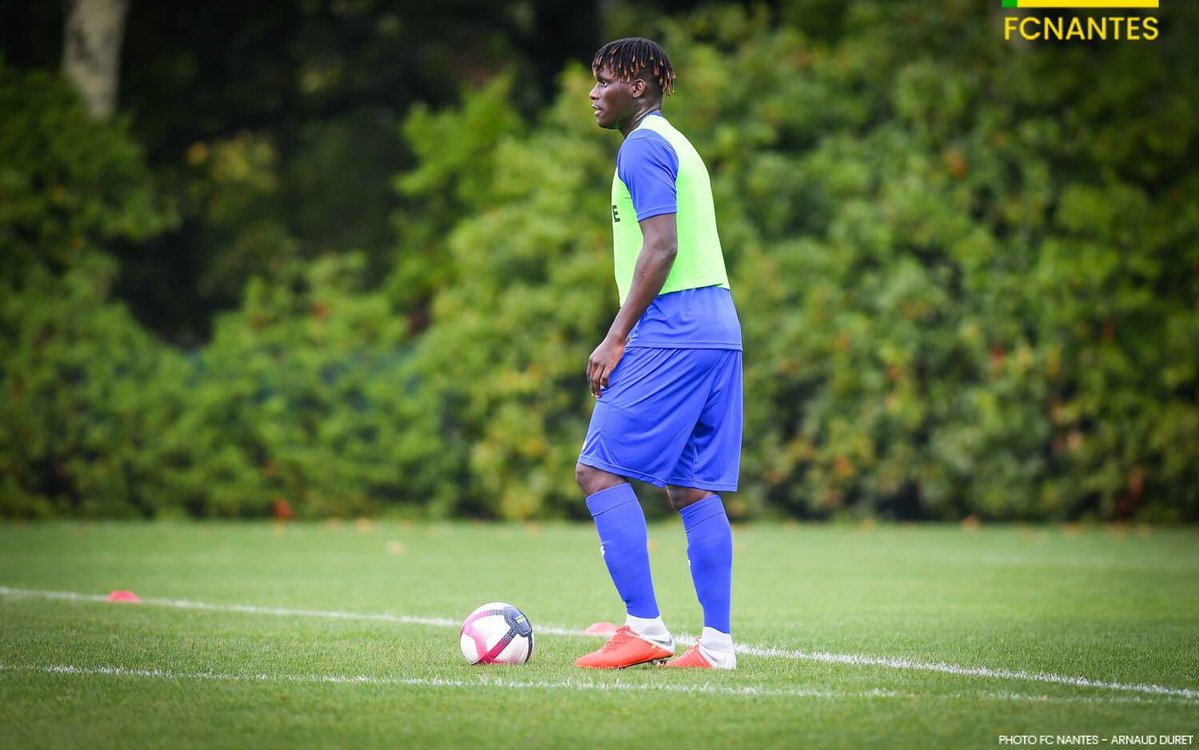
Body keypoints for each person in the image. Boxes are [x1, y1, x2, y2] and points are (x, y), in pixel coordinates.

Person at [575, 37, 742, 670]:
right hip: (718, 325)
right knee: (691, 485)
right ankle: (717, 646)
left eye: (605, 81)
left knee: (597, 470)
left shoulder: (641, 146)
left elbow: (662, 246)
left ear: (637, 88)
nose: (594, 93)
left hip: (674, 326)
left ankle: (644, 628)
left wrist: (617, 335)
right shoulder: (679, 144)